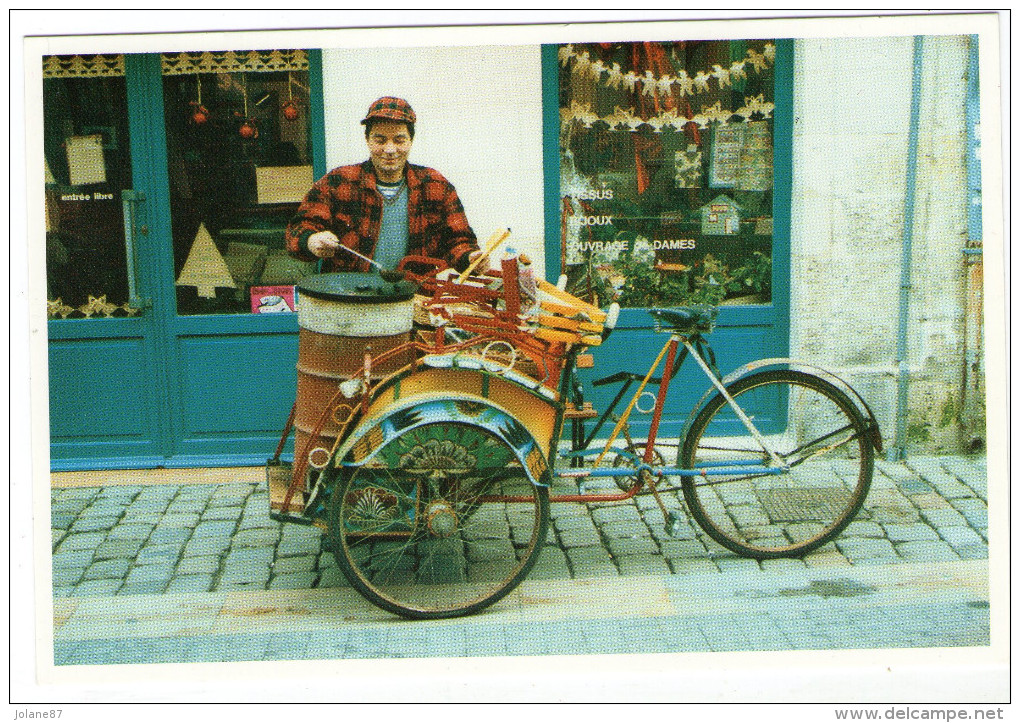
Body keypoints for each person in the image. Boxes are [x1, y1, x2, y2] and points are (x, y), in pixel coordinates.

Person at [285, 96, 479, 274]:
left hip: (414, 297)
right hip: (349, 297)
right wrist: (311, 241)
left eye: (399, 140)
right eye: (380, 140)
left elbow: (458, 240)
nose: (390, 149)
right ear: (367, 140)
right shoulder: (338, 181)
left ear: (411, 141)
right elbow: (297, 230)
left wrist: (471, 259)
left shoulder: (436, 185)